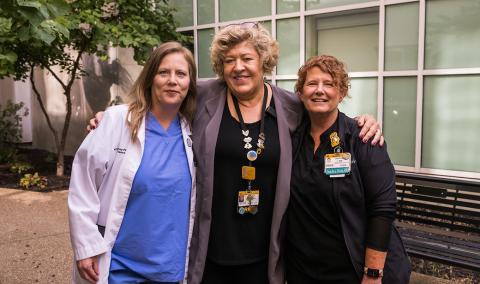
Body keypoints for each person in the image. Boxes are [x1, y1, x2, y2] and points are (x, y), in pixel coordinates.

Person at [87, 23, 383, 284]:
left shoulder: (289, 105)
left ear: (263, 62)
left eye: (246, 59)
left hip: (264, 252)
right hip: (211, 248)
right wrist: (115, 118)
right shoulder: (204, 95)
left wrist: (363, 123)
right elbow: (162, 95)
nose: (238, 67)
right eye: (229, 60)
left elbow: (325, 108)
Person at [68, 41, 197, 283]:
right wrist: (86, 246)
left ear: (190, 83)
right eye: (163, 72)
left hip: (171, 269)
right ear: (150, 78)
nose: (172, 80)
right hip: (119, 267)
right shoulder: (116, 121)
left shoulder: (195, 131)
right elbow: (83, 185)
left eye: (181, 74)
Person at [286, 55, 411, 284]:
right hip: (303, 270)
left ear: (341, 93)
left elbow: (383, 207)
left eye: (329, 84)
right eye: (312, 83)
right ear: (301, 93)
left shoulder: (362, 138)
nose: (319, 90)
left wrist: (372, 274)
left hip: (352, 270)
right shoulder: (291, 141)